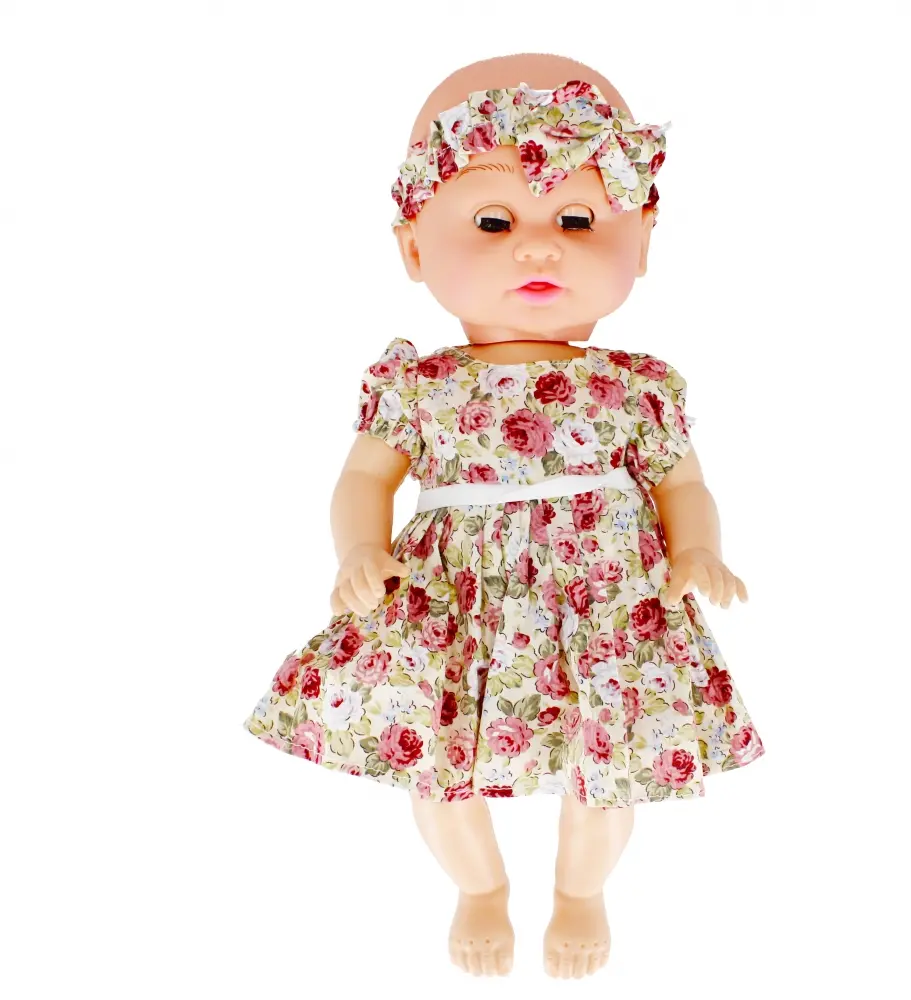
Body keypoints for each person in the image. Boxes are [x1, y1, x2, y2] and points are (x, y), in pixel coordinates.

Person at [243, 52, 765, 980]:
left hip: (605, 600)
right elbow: (363, 477)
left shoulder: (638, 387)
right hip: (455, 595)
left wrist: (699, 550)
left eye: (577, 219)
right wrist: (360, 547)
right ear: (413, 248)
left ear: (642, 240)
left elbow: (682, 486)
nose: (539, 247)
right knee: (435, 757)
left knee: (609, 759)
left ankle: (580, 890)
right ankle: (479, 887)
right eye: (494, 221)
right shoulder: (419, 385)